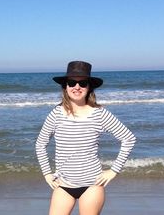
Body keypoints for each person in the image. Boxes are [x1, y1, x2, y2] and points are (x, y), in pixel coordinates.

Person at [36, 61, 136, 215]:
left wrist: (113, 171)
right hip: (63, 185)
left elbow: (128, 138)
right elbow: (40, 144)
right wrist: (47, 173)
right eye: (71, 83)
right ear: (65, 86)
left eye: (82, 83)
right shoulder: (56, 114)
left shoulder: (100, 113)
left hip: (92, 185)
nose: (77, 87)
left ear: (89, 87)